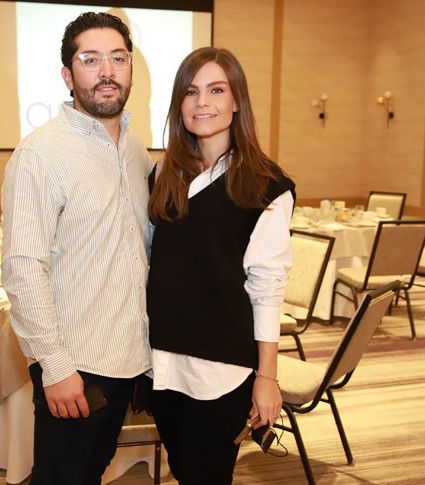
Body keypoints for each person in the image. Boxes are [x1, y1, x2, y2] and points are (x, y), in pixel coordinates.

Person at [0, 12, 152, 485]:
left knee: (92, 473)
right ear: (68, 76)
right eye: (91, 60)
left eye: (118, 59)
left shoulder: (136, 151)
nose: (107, 71)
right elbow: (22, 269)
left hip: (127, 357)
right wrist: (56, 366)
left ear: (131, 69)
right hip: (76, 364)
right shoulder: (40, 154)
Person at [147, 46, 295, 484]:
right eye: (191, 92)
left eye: (216, 90)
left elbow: (267, 290)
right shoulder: (163, 174)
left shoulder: (266, 186)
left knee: (207, 475)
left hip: (222, 367)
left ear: (237, 101)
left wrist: (267, 377)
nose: (202, 103)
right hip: (164, 359)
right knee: (181, 469)